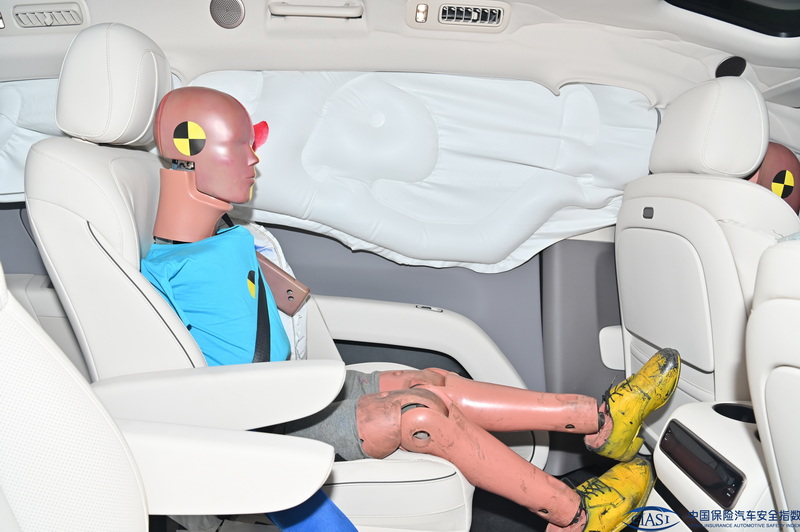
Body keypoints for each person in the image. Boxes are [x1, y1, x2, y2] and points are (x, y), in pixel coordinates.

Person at [141, 86, 682, 532]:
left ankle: (600, 420)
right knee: (420, 414)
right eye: (239, 145)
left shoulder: (223, 233)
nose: (254, 158)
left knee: (430, 381)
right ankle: (577, 516)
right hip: (263, 425)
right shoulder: (171, 269)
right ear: (189, 146)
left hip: (293, 390)